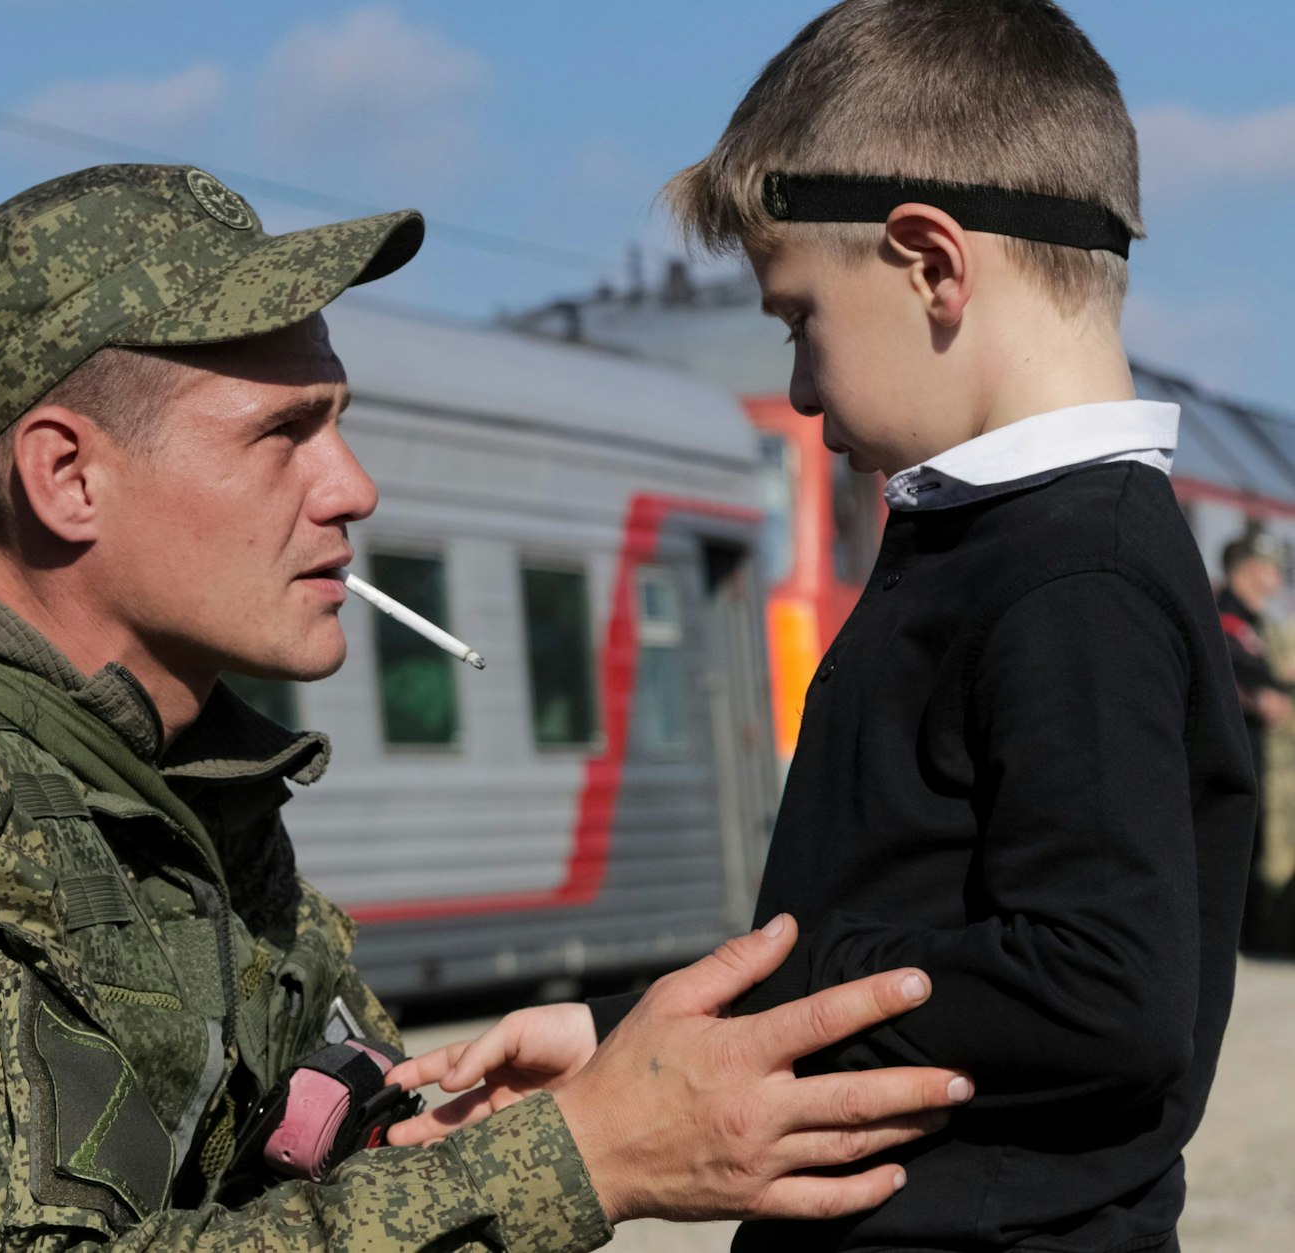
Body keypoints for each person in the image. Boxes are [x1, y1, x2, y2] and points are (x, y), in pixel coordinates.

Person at [0, 165, 974, 1253]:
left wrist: (436, 1120)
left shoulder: (162, 768)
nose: (352, 489)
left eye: (338, 425)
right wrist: (573, 1164)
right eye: (283, 433)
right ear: (66, 478)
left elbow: (303, 1090)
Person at [391, 3, 1256, 1251]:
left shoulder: (1074, 578)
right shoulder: (995, 546)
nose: (797, 386)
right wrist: (619, 1030)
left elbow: (1103, 989)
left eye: (798, 318)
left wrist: (757, 1015)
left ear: (931, 264)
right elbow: (917, 916)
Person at [1218, 533, 1295, 953]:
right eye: (1267, 572)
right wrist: (1259, 699)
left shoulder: (1254, 625)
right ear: (1246, 571)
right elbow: (1222, 676)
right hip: (1233, 757)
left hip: (1256, 756)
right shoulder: (1223, 617)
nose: (1274, 582)